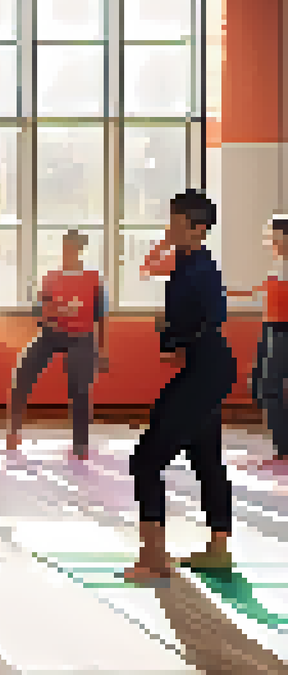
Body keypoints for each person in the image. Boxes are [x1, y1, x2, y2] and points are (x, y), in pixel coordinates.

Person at [124, 190, 237, 583]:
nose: (170, 226)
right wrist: (173, 335)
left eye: (178, 221)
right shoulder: (185, 264)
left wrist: (173, 333)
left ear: (198, 228)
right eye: (170, 217)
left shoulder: (201, 269)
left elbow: (213, 315)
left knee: (146, 461)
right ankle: (218, 549)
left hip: (206, 372)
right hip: (205, 370)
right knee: (205, 457)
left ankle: (153, 559)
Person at [7, 229, 110, 459]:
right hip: (51, 334)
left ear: (79, 250)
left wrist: (102, 350)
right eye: (65, 248)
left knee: (79, 387)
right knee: (22, 371)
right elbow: (41, 313)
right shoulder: (51, 277)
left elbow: (101, 316)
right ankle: (13, 432)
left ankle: (80, 445)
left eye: (72, 248)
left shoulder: (93, 279)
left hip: (82, 337)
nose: (67, 252)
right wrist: (52, 313)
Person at [228, 216, 288, 462]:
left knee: (269, 388)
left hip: (282, 330)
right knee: (259, 385)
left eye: (274, 237)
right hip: (269, 328)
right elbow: (259, 292)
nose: (270, 242)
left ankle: (284, 448)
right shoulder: (278, 267)